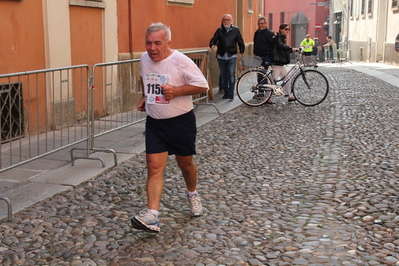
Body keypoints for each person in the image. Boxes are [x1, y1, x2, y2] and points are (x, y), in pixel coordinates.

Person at [132, 23, 209, 233]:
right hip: (155, 122)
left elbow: (203, 85)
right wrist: (145, 96)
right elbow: (145, 77)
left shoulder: (180, 61)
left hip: (180, 122)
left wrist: (176, 90)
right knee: (154, 167)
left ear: (168, 42)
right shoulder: (143, 58)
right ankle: (152, 216)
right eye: (148, 43)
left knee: (185, 164)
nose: (152, 48)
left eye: (157, 43)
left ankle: (192, 194)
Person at [210, 14, 245, 100]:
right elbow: (214, 39)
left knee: (231, 74)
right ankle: (226, 92)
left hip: (231, 55)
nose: (226, 21)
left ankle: (230, 93)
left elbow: (240, 41)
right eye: (224, 20)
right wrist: (212, 44)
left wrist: (241, 52)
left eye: (228, 20)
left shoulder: (236, 30)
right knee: (223, 74)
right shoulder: (219, 30)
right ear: (222, 21)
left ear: (231, 21)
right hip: (221, 56)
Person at [271, 23, 299, 102]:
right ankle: (267, 97)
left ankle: (291, 96)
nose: (288, 31)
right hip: (277, 62)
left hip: (280, 62)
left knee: (287, 78)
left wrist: (290, 50)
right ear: (281, 30)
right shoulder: (278, 37)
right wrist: (291, 48)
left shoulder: (282, 37)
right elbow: (280, 46)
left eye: (288, 29)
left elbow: (282, 48)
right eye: (286, 29)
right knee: (273, 80)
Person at [253, 16, 275, 104]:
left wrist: (270, 56)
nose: (260, 25)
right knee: (259, 75)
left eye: (262, 23)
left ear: (266, 24)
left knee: (264, 75)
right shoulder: (257, 32)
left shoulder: (270, 33)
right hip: (258, 56)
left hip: (266, 56)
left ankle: (267, 95)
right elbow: (255, 43)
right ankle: (261, 92)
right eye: (259, 23)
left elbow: (272, 45)